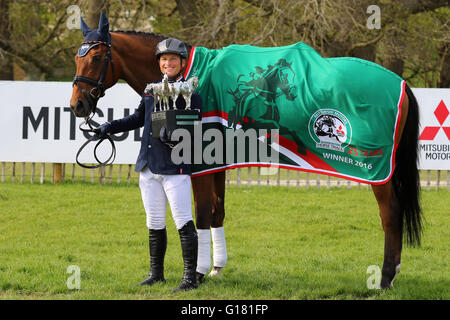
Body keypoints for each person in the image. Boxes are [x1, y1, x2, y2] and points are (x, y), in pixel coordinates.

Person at [95, 38, 202, 292]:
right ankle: (156, 274)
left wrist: (175, 136)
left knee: (183, 221)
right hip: (148, 166)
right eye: (164, 59)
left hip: (174, 168)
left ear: (182, 63)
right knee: (154, 222)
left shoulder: (190, 92)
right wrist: (110, 127)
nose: (168, 63)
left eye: (173, 59)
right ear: (159, 63)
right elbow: (137, 119)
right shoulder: (151, 90)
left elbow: (194, 128)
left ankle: (189, 279)